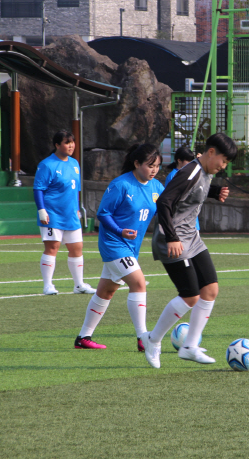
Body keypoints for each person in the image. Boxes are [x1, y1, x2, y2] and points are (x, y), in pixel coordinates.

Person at [140, 133, 238, 368]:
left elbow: (193, 192)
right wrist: (172, 238)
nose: (223, 167)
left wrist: (214, 192)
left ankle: (189, 347)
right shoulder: (191, 171)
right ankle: (152, 339)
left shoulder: (203, 172)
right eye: (223, 161)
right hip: (171, 240)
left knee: (211, 289)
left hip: (191, 238)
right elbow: (163, 202)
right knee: (190, 295)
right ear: (211, 152)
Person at [73, 143, 163, 350]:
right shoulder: (121, 184)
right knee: (139, 283)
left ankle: (83, 338)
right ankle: (143, 338)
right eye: (150, 165)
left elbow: (165, 208)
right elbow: (103, 213)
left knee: (106, 291)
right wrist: (120, 231)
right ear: (137, 163)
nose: (154, 170)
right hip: (113, 243)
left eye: (157, 166)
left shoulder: (156, 187)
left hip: (131, 247)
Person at [33, 130, 95, 296]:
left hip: (71, 215)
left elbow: (75, 190)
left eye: (72, 142)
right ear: (57, 145)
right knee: (53, 247)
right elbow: (38, 188)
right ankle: (48, 285)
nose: (71, 146)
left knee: (77, 248)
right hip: (53, 214)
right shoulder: (47, 164)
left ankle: (79, 285)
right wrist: (41, 210)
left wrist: (77, 209)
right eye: (67, 143)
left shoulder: (74, 163)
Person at [165, 146, 199, 230]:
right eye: (188, 160)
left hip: (193, 222)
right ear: (179, 160)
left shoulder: (191, 174)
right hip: (180, 224)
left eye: (192, 160)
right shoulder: (174, 176)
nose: (191, 163)